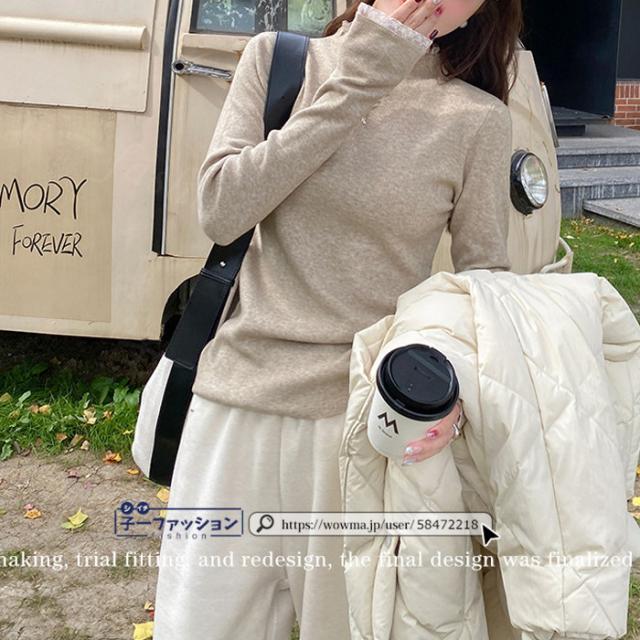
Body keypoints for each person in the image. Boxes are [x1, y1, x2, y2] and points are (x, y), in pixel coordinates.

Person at [152, 0, 522, 638]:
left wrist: (459, 389)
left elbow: (481, 283)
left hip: (361, 426)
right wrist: (361, 76)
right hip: (236, 407)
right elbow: (221, 209)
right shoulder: (279, 62)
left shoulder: (477, 119)